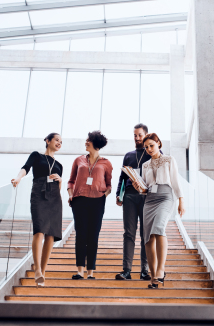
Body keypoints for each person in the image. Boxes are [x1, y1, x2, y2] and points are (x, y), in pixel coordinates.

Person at [132, 133, 185, 289]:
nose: (149, 149)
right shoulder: (145, 165)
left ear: (159, 144)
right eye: (146, 147)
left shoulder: (169, 160)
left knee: (159, 229)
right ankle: (154, 275)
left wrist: (181, 200)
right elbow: (146, 187)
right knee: (148, 237)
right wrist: (139, 188)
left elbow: (175, 180)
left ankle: (161, 270)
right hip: (149, 199)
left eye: (151, 145)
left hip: (165, 197)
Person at [11, 133, 63, 286]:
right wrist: (18, 178)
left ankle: (43, 272)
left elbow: (59, 187)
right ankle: (37, 270)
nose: (59, 143)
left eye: (61, 142)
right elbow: (25, 168)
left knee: (51, 235)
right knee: (39, 230)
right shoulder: (36, 155)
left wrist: (60, 181)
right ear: (47, 141)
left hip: (54, 197)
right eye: (56, 140)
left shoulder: (59, 165)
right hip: (39, 192)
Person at [67, 131, 112, 279]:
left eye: (88, 140)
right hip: (79, 200)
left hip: (97, 201)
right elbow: (71, 181)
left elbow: (109, 185)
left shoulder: (106, 163)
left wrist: (102, 196)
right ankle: (80, 270)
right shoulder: (78, 160)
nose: (86, 142)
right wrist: (70, 195)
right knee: (81, 235)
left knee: (93, 236)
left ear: (96, 143)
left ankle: (90, 272)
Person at [115, 124, 153, 281]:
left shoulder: (152, 153)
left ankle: (145, 270)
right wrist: (119, 194)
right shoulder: (128, 155)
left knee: (146, 234)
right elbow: (122, 178)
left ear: (146, 135)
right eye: (135, 135)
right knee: (128, 233)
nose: (137, 138)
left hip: (146, 196)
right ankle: (126, 270)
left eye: (140, 135)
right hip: (130, 197)